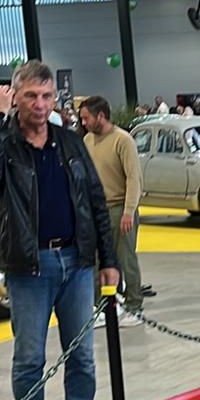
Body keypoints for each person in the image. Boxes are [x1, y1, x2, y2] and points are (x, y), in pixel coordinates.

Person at [0, 60, 118, 400]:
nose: (40, 104)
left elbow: (94, 201)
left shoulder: (70, 143)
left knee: (82, 358)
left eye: (47, 96)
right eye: (31, 96)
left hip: (76, 262)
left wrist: (109, 260)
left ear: (55, 98)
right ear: (16, 96)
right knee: (30, 358)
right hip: (28, 267)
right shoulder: (4, 141)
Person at [79, 96, 146, 321]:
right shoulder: (87, 140)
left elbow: (133, 178)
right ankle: (101, 307)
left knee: (126, 259)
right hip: (97, 212)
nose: (83, 123)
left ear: (101, 116)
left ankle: (134, 305)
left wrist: (129, 211)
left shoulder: (123, 140)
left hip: (120, 210)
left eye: (86, 118)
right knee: (98, 260)